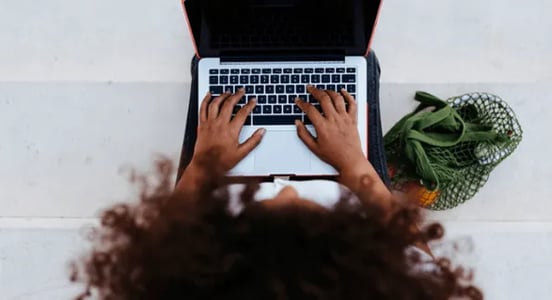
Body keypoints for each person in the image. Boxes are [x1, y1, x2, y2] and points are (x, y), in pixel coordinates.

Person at [71, 86, 482, 299]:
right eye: (305, 210)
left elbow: (161, 246)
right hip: (346, 173)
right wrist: (355, 165)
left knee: (213, 78)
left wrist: (204, 166)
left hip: (216, 187)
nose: (285, 191)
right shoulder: (399, 288)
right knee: (356, 69)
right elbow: (414, 251)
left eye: (271, 212)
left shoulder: (168, 277)